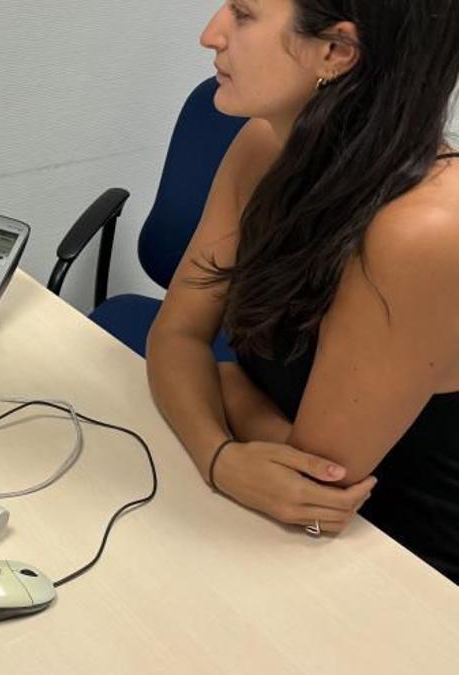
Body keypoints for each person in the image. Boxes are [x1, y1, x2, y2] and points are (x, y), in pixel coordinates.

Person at [148, 0, 459, 582]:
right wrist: (217, 454)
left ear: (337, 52)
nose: (210, 35)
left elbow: (314, 484)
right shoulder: (261, 147)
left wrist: (224, 381)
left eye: (242, 15)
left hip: (405, 563)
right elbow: (175, 334)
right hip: (274, 524)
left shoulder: (424, 231)